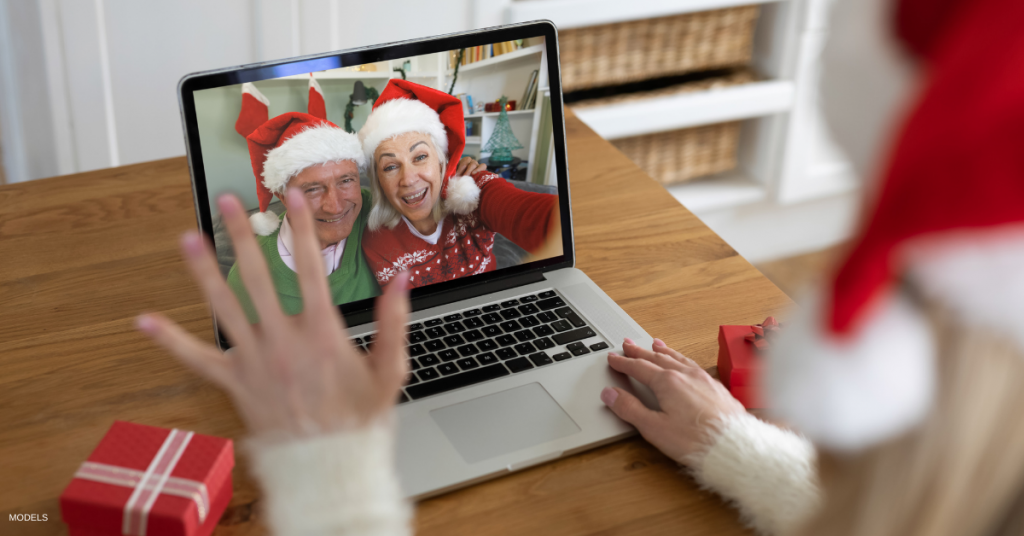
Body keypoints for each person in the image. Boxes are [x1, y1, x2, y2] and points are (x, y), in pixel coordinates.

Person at [137, 0, 1024, 533]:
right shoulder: (366, 249)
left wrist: (478, 197)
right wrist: (740, 450)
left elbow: (544, 220)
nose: (404, 179)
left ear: (446, 166)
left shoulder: (481, 201)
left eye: (424, 159)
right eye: (385, 166)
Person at [357, 79, 559, 289]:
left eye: (420, 157)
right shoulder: (377, 243)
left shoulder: (473, 190)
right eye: (390, 167)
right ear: (379, 180)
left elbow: (536, 217)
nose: (408, 179)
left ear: (441, 160)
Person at [226, 112, 381, 323]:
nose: (335, 207)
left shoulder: (375, 210)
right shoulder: (249, 278)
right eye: (313, 189)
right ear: (282, 196)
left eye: (346, 181)